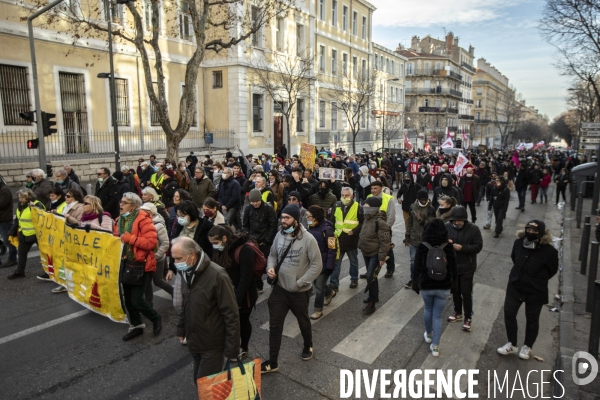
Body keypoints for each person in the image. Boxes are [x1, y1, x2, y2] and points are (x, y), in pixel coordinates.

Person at [261, 205, 323, 374]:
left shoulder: (308, 239)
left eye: (287, 218)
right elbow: (272, 254)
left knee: (303, 320)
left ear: (296, 220)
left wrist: (301, 282)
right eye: (282, 218)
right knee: (275, 326)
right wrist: (271, 268)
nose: (283, 221)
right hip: (280, 290)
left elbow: (317, 265)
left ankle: (308, 345)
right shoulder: (279, 235)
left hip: (299, 292)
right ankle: (273, 362)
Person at [171, 236, 240, 381]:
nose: (175, 263)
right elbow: (186, 304)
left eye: (178, 258)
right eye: (174, 259)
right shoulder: (187, 272)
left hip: (212, 344)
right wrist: (181, 328)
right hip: (195, 340)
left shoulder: (218, 275)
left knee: (207, 386)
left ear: (192, 255)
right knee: (199, 381)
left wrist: (232, 349)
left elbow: (231, 314)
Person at [497, 220, 558, 360]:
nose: (530, 233)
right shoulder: (518, 243)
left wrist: (536, 278)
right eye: (528, 230)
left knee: (532, 319)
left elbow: (552, 270)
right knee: (509, 313)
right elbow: (515, 258)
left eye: (534, 231)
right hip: (516, 285)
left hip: (536, 290)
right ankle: (512, 343)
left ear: (541, 233)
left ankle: (527, 346)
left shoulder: (549, 251)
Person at [113, 192, 162, 341]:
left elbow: (151, 243)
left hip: (141, 264)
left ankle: (155, 318)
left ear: (134, 206)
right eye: (121, 201)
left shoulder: (143, 219)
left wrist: (131, 239)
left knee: (137, 299)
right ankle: (137, 326)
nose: (120, 204)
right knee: (127, 300)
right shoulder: (119, 219)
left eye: (124, 202)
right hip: (125, 263)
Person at [208, 225, 257, 359]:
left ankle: (244, 347)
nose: (214, 246)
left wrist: (236, 300)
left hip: (243, 296)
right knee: (228, 323)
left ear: (224, 238)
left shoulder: (244, 250)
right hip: (226, 294)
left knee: (242, 322)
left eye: (215, 243)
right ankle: (231, 346)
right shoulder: (221, 249)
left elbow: (246, 278)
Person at [412, 219, 458, 357]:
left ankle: (429, 334)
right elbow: (454, 269)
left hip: (427, 286)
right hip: (443, 287)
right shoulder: (448, 247)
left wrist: (415, 284)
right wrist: (453, 286)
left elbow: (417, 269)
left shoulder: (423, 246)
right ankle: (436, 347)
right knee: (437, 316)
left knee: (428, 309)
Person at [445, 206, 483, 332]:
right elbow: (440, 241)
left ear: (465, 220)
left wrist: (463, 248)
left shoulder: (473, 229)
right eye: (454, 220)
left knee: (466, 293)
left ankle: (468, 317)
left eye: (459, 220)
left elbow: (478, 246)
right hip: (453, 265)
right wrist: (447, 242)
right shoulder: (447, 227)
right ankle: (457, 311)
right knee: (455, 290)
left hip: (467, 266)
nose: (456, 223)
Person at [358, 196, 391, 314]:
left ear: (373, 208)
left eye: (366, 207)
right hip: (366, 252)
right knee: (372, 276)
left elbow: (385, 242)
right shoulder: (367, 218)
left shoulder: (380, 222)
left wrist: (382, 257)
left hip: (374, 254)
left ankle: (371, 302)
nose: (364, 208)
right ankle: (374, 296)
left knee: (370, 276)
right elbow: (362, 232)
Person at [167, 201, 215, 279]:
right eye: (178, 216)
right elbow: (175, 246)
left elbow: (209, 250)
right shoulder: (180, 225)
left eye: (183, 216)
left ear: (191, 214)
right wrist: (171, 268)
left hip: (199, 267)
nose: (180, 218)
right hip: (182, 267)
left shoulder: (205, 226)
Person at [242, 189, 278, 293]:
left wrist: (267, 241)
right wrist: (249, 238)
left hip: (266, 242)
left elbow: (273, 226)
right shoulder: (248, 209)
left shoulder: (268, 208)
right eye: (253, 202)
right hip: (253, 242)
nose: (255, 203)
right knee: (254, 265)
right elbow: (245, 226)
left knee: (270, 263)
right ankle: (259, 285)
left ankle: (273, 282)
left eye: (257, 201)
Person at [7, 189, 45, 280]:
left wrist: (35, 208)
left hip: (37, 234)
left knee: (45, 253)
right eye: (19, 198)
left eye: (21, 198)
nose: (19, 200)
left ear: (28, 197)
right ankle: (20, 272)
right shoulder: (21, 205)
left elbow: (44, 216)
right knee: (21, 253)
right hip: (24, 234)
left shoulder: (37, 204)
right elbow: (17, 220)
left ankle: (49, 272)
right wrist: (11, 232)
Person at [330, 187, 363, 291]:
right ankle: (334, 283)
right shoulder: (336, 205)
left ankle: (354, 279)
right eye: (343, 195)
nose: (344, 197)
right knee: (336, 262)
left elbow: (362, 222)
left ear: (352, 196)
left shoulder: (358, 207)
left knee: (353, 261)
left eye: (347, 195)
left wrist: (354, 231)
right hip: (338, 238)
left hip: (351, 239)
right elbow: (332, 221)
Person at [306, 206, 336, 320]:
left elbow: (332, 248)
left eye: (309, 216)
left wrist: (329, 266)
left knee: (318, 287)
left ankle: (318, 310)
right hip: (313, 263)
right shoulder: (311, 226)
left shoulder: (327, 229)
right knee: (317, 284)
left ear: (316, 217)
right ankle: (329, 293)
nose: (307, 218)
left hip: (324, 263)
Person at [140, 202, 173, 305]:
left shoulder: (158, 225)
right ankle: (149, 304)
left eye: (144, 211)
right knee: (147, 283)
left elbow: (166, 243)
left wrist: (156, 256)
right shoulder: (143, 222)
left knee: (158, 281)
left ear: (150, 212)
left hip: (157, 259)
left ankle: (176, 295)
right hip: (146, 259)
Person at [404, 189, 436, 289]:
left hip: (425, 241)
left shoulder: (431, 209)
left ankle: (424, 279)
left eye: (425, 199)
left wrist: (421, 219)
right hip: (414, 239)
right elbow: (409, 222)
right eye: (421, 199)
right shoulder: (413, 207)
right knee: (413, 261)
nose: (423, 201)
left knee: (425, 261)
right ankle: (414, 279)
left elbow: (431, 225)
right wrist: (407, 236)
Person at [0, 175, 17, 269]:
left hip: (4, 219)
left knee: (8, 240)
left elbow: (1, 204)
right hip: (1, 219)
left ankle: (12, 259)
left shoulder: (4, 190)